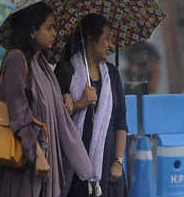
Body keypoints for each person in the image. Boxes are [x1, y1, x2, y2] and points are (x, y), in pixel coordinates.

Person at [0, 3, 93, 197]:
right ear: (33, 32)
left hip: (43, 166)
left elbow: (53, 115)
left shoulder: (42, 66)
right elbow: (19, 114)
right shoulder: (16, 60)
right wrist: (37, 154)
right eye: (49, 27)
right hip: (22, 166)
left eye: (56, 28)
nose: (54, 33)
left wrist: (67, 100)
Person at [54, 14, 128, 197]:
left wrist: (118, 162)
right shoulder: (66, 72)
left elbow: (120, 121)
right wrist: (80, 103)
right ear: (90, 40)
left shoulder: (112, 74)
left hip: (108, 170)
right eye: (106, 39)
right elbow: (56, 119)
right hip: (75, 169)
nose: (110, 45)